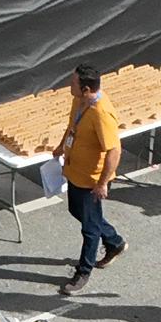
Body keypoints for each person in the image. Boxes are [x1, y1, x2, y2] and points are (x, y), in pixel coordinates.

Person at [59, 66, 127, 293]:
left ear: (86, 89)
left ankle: (83, 271)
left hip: (91, 180)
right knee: (76, 211)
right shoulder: (79, 101)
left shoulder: (101, 113)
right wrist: (61, 147)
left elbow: (114, 150)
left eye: (73, 82)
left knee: (89, 228)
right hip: (75, 172)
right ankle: (114, 241)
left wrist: (102, 183)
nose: (70, 85)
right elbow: (72, 127)